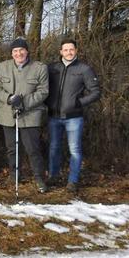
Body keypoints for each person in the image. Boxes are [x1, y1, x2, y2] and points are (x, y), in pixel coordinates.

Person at [0, 37, 49, 193]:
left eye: (21, 50)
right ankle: (15, 175)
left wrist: (23, 103)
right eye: (15, 51)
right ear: (12, 53)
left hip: (30, 114)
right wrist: (9, 98)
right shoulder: (2, 67)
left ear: (27, 51)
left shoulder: (39, 68)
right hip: (7, 114)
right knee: (12, 149)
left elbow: (43, 91)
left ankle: (39, 178)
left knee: (33, 149)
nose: (18, 53)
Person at [46, 38, 100, 193]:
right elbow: (43, 87)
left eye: (71, 49)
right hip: (54, 116)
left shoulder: (84, 69)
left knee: (74, 149)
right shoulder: (53, 68)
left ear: (76, 50)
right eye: (65, 49)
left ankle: (73, 181)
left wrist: (79, 103)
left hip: (74, 117)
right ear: (60, 51)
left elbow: (96, 92)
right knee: (54, 148)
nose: (69, 52)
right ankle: (53, 176)